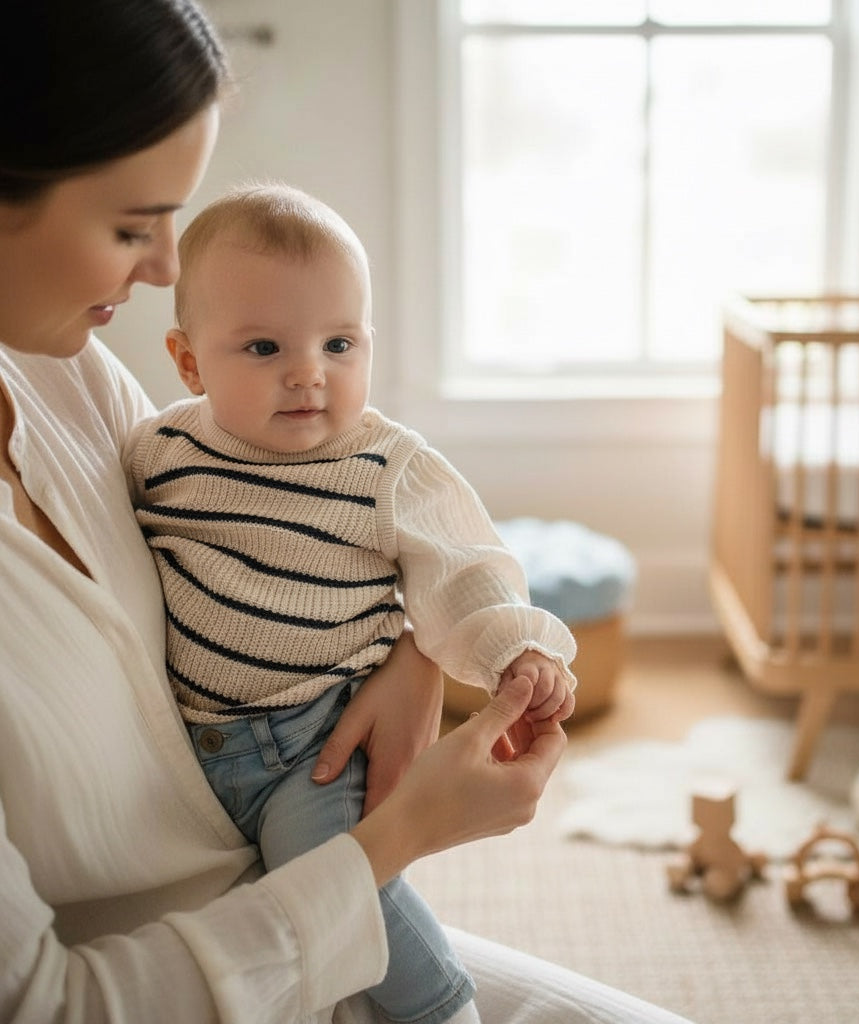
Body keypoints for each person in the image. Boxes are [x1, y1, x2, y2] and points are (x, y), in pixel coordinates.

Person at [0, 2, 693, 1022]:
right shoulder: (141, 415)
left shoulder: (62, 373)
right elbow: (52, 1004)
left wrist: (419, 653)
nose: (159, 267)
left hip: (296, 859)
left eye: (340, 344)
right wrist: (403, 835)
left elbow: (396, 548)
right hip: (222, 957)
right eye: (130, 226)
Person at [124, 181, 579, 1024]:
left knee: (325, 868)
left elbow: (464, 563)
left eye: (340, 343)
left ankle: (439, 1006)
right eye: (263, 348)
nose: (309, 374)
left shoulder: (383, 465)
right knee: (247, 907)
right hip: (196, 746)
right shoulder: (158, 451)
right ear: (188, 362)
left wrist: (511, 651)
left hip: (317, 742)